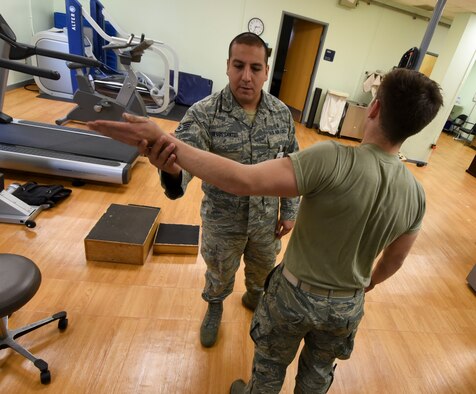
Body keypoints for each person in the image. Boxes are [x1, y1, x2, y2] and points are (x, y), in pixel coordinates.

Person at [88, 68, 443, 393]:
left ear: (374, 109)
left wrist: (163, 139)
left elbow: (245, 180)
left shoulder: (333, 159)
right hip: (347, 306)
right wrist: (367, 284)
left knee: (271, 365)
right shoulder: (416, 195)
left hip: (294, 297)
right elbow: (394, 261)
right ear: (416, 128)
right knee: (318, 373)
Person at [125, 32, 301, 348]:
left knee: (263, 271)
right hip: (224, 223)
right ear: (227, 66)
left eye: (255, 68)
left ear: (266, 70)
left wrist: (289, 212)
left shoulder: (281, 114)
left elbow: (292, 166)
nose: (246, 77)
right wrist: (171, 169)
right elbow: (183, 162)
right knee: (219, 273)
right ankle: (215, 306)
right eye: (238, 66)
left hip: (264, 222)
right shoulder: (204, 113)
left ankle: (254, 294)